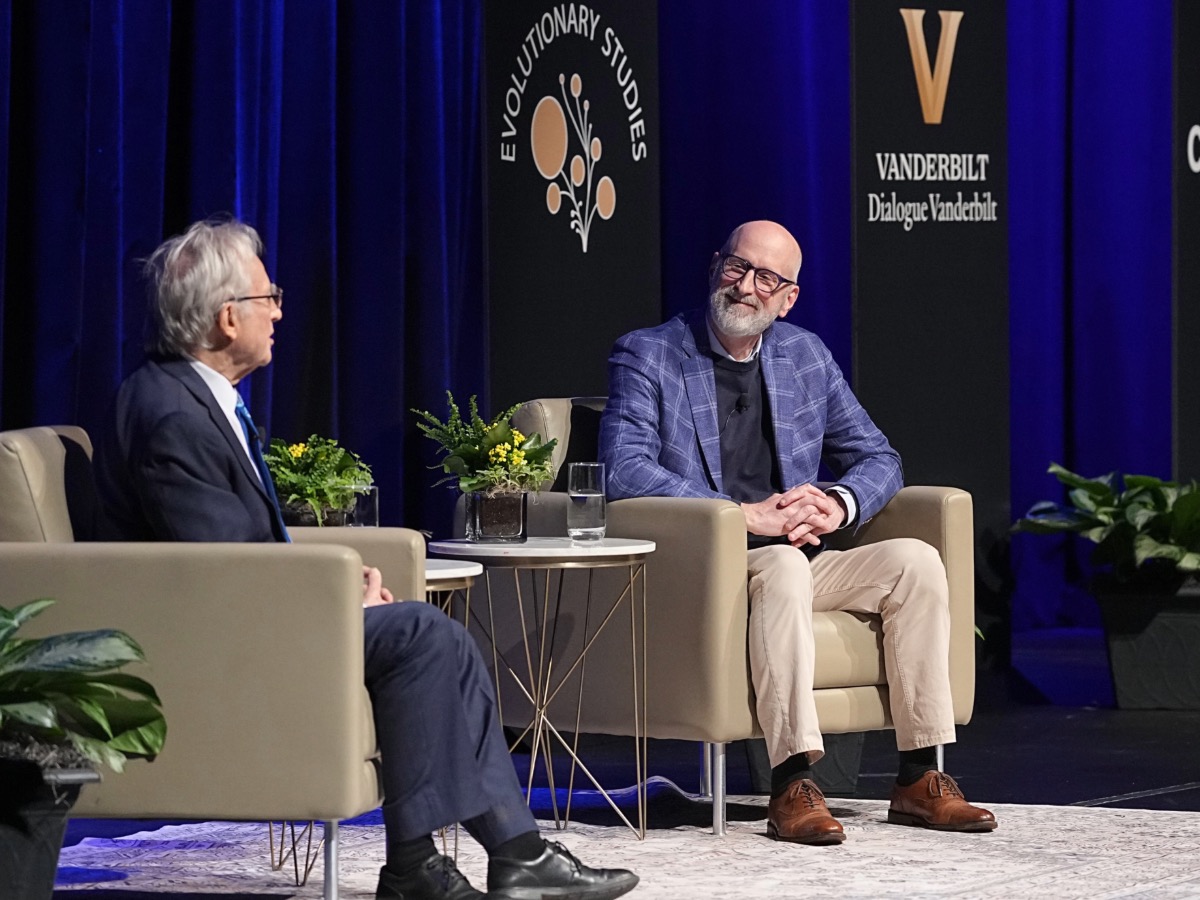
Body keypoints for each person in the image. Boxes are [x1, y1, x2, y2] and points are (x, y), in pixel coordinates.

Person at [94, 217, 640, 900]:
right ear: (227, 317)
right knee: (423, 635)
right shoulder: (171, 414)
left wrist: (343, 580)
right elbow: (220, 570)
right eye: (270, 299)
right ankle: (468, 860)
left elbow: (242, 547)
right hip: (209, 640)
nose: (280, 313)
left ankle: (464, 860)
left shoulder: (193, 398)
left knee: (430, 637)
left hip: (251, 610)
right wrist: (332, 597)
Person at [599, 219, 996, 845]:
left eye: (767, 278)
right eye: (736, 267)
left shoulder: (804, 355)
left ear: (788, 298)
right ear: (715, 267)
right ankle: (790, 784)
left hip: (802, 559)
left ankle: (918, 778)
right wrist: (739, 514)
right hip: (713, 564)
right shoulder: (650, 353)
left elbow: (879, 457)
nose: (745, 287)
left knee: (915, 561)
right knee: (781, 564)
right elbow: (624, 468)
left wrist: (838, 504)